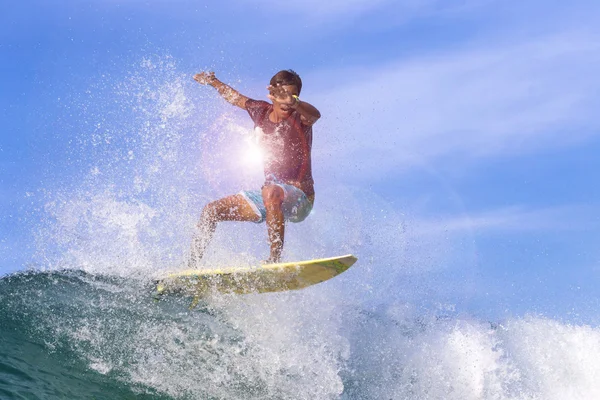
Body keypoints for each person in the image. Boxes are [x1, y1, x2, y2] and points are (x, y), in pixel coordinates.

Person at [190, 70, 321, 264]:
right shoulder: (261, 111)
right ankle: (190, 267)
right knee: (211, 211)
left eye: (292, 96)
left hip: (300, 199)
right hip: (270, 198)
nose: (286, 102)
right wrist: (213, 81)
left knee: (271, 191)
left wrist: (296, 104)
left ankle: (274, 261)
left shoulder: (300, 119)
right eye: (282, 95)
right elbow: (236, 98)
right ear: (273, 95)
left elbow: (315, 115)